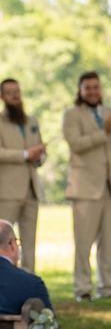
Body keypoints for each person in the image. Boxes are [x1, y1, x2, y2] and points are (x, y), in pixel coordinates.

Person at [62, 71, 111, 302]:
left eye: (96, 87)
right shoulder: (72, 115)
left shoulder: (110, 113)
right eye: (88, 88)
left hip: (110, 186)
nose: (93, 91)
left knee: (107, 241)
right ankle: (82, 288)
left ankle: (107, 287)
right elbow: (75, 144)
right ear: (80, 90)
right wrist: (102, 133)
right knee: (83, 243)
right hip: (85, 187)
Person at [0, 78, 46, 273]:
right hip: (7, 191)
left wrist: (38, 157)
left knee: (29, 243)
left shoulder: (32, 121)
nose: (15, 96)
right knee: (2, 241)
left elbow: (40, 152)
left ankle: (28, 284)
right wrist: (26, 154)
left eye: (17, 91)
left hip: (31, 190)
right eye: (10, 92)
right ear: (2, 97)